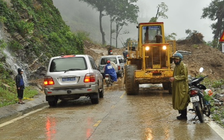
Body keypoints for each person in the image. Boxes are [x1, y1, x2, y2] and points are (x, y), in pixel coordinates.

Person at [169, 52, 189, 120]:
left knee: (182, 100)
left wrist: (175, 78)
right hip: (177, 86)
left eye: (177, 59)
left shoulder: (183, 66)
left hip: (182, 87)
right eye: (175, 59)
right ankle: (181, 114)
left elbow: (184, 76)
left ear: (180, 59)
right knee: (178, 100)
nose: (175, 60)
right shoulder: (176, 67)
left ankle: (184, 116)